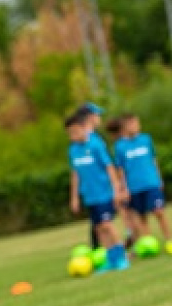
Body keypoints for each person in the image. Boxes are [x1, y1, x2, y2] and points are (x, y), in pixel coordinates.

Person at [65, 110, 130, 270]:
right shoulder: (73, 150)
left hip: (104, 193)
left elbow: (109, 167)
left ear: (84, 128)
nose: (72, 136)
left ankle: (121, 257)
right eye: (69, 133)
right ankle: (110, 259)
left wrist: (116, 190)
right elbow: (75, 174)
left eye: (75, 131)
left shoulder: (96, 144)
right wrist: (74, 197)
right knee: (99, 229)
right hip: (90, 196)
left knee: (107, 225)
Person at [110, 112, 171, 253]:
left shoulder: (146, 139)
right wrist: (123, 188)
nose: (136, 126)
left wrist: (159, 178)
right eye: (132, 124)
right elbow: (121, 170)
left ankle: (169, 239)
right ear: (124, 127)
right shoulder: (120, 147)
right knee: (142, 217)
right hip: (134, 187)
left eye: (137, 123)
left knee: (159, 211)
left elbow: (153, 160)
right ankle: (150, 244)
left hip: (151, 183)